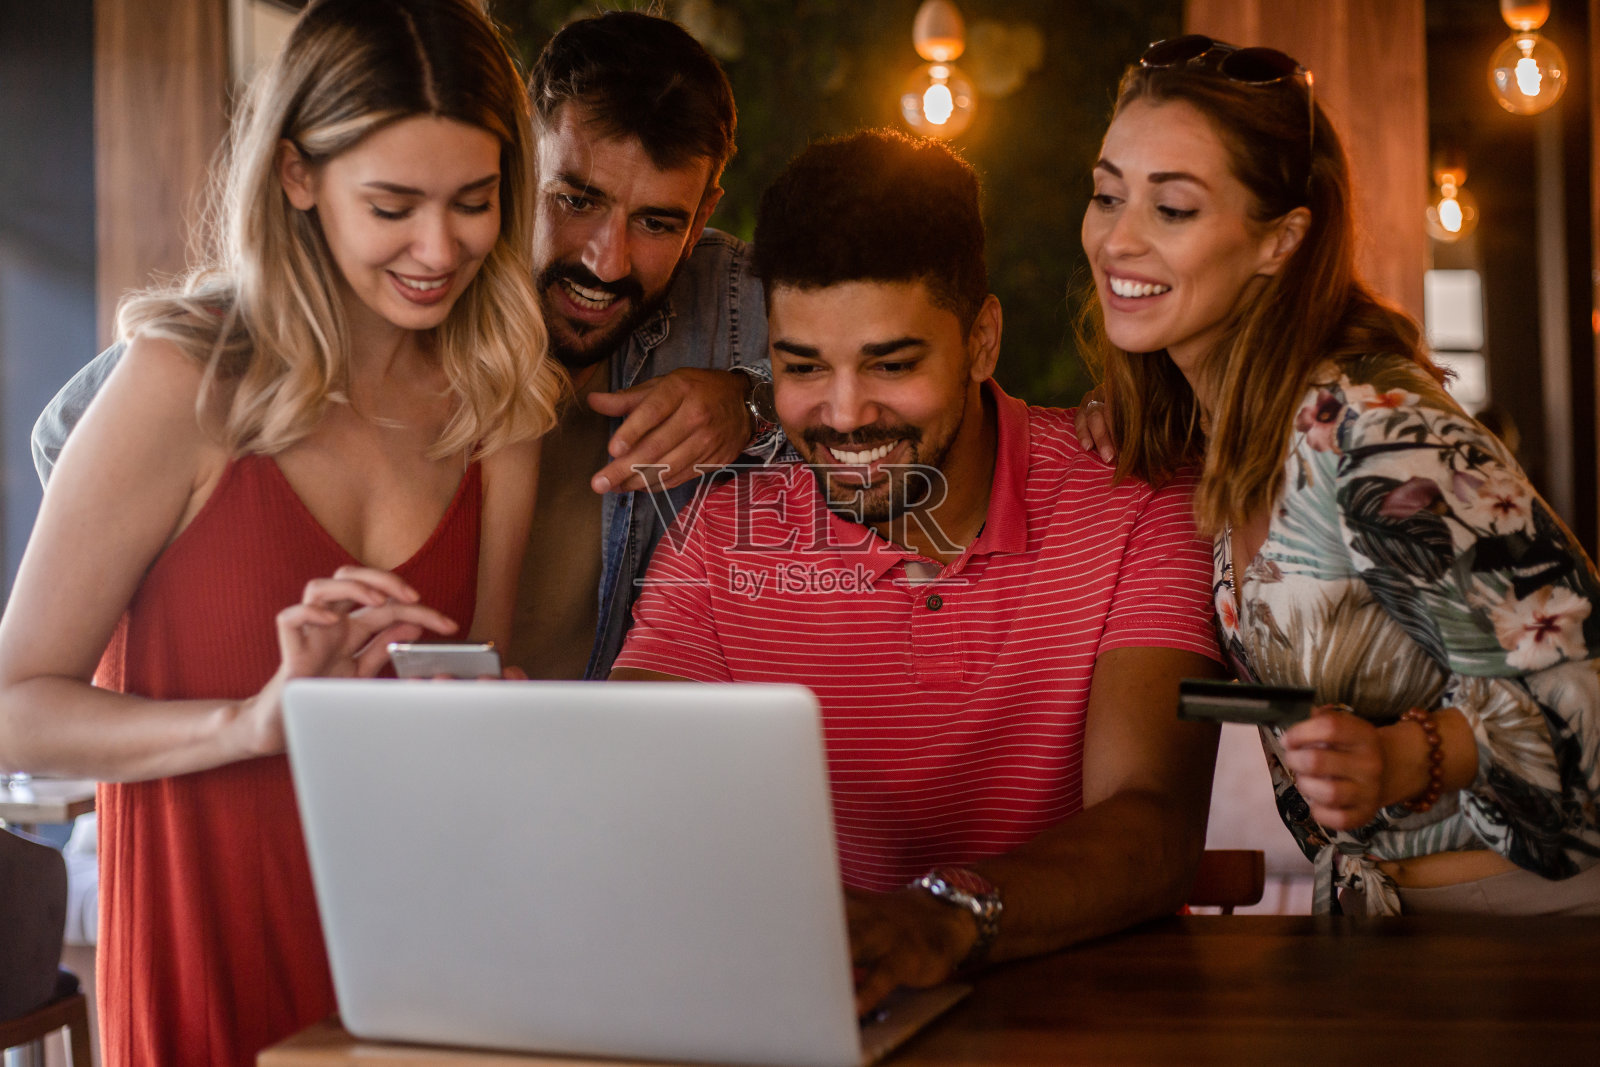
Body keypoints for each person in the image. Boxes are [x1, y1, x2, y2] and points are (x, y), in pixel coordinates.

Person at [0, 1, 565, 1063]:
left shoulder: (500, 400)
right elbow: (13, 710)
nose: (438, 248)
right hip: (207, 952)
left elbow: (469, 697)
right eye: (392, 204)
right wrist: (252, 724)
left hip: (426, 963)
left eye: (475, 202)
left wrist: (498, 714)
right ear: (298, 176)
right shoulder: (180, 383)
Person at [611, 129, 1225, 1012]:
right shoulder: (719, 535)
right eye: (802, 367)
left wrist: (936, 918)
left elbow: (1152, 821)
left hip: (1085, 1018)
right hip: (828, 1014)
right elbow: (625, 770)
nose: (846, 414)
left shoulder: (1136, 498)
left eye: (892, 365)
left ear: (981, 342)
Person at [30, 10, 778, 681]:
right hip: (298, 752)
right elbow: (69, 429)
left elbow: (877, 411)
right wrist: (160, 668)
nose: (605, 260)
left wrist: (754, 402)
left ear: (703, 209)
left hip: (530, 765)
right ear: (518, 165)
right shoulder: (375, 286)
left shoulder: (731, 300)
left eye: (656, 223)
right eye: (574, 200)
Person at [1075, 35, 1600, 915]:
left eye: (1172, 208)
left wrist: (1408, 755)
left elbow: (1589, 680)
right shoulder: (1231, 430)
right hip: (1393, 932)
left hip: (1537, 931)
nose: (1117, 239)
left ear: (1280, 240)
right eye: (1105, 195)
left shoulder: (1372, 429)